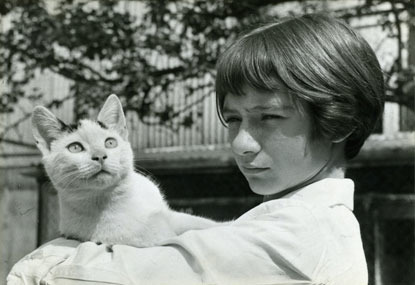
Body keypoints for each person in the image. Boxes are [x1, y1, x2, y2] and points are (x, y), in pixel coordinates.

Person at [7, 13, 384, 285]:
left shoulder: (300, 235)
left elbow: (77, 278)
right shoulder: (282, 223)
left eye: (268, 117)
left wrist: (42, 263)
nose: (240, 144)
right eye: (233, 120)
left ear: (340, 122)